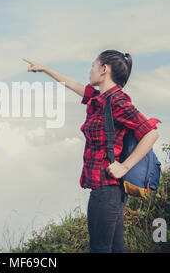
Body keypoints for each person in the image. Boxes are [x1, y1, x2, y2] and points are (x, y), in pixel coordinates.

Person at [22, 50, 161, 253]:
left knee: (100, 248)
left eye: (93, 66)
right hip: (108, 190)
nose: (90, 71)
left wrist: (125, 166)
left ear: (104, 69)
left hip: (107, 189)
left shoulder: (117, 101)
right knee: (115, 248)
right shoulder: (99, 98)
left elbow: (151, 133)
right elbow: (71, 83)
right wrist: (44, 69)